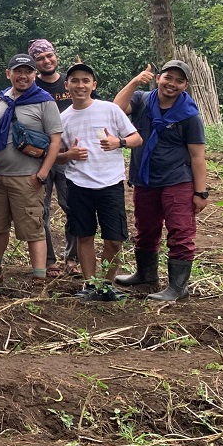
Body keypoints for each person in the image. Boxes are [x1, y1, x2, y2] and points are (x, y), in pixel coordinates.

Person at [113, 60, 208, 302]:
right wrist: (135, 82)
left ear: (186, 86)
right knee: (145, 229)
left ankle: (178, 287)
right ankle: (146, 275)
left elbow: (198, 156)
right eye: (168, 77)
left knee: (180, 231)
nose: (172, 84)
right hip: (145, 180)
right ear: (158, 79)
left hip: (177, 180)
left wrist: (201, 192)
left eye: (179, 81)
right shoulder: (143, 100)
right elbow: (116, 109)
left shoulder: (189, 116)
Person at [55, 64, 141, 300]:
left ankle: (107, 285)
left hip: (110, 184)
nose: (80, 85)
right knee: (84, 236)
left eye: (85, 80)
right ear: (67, 85)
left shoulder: (110, 110)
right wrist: (68, 155)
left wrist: (118, 142)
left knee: (114, 239)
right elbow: (55, 155)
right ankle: (91, 285)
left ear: (94, 85)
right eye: (74, 80)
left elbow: (136, 138)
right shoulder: (63, 118)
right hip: (78, 184)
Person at [0, 54, 63, 282]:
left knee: (33, 228)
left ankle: (38, 278)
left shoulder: (44, 101)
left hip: (27, 176)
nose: (23, 76)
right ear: (9, 74)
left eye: (28, 71)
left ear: (35, 74)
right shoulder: (0, 99)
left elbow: (55, 141)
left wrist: (42, 174)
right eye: (18, 71)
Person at [28, 39, 75, 275]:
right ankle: (48, 260)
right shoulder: (31, 87)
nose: (46, 61)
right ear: (34, 63)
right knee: (41, 209)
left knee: (72, 206)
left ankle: (73, 257)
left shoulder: (71, 82)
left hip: (70, 155)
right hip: (41, 157)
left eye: (49, 55)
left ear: (56, 56)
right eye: (40, 58)